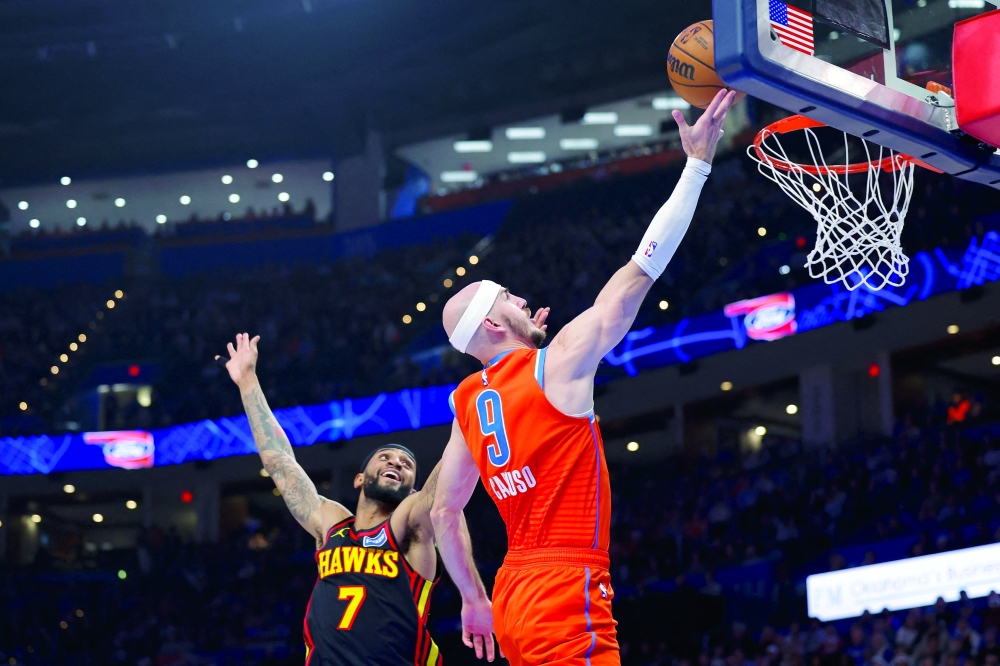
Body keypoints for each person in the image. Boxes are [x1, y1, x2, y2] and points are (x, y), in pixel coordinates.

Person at [429, 89, 737, 665]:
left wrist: (473, 599)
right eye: (510, 298)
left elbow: (445, 512)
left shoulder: (466, 402)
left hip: (511, 591)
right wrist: (696, 167)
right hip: (564, 584)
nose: (524, 299)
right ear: (495, 323)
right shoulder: (560, 358)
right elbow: (640, 270)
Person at [218, 333, 498, 665]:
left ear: (411, 489)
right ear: (359, 478)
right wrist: (247, 381)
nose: (396, 462)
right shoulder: (331, 522)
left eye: (407, 465)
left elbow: (449, 479)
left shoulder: (409, 523)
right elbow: (280, 462)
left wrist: (494, 373)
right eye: (385, 457)